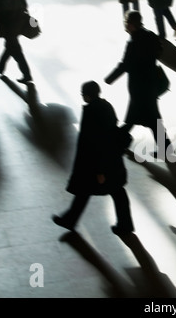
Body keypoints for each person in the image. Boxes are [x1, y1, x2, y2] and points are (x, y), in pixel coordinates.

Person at [52, 81, 135, 236]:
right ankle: (125, 225)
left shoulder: (92, 111)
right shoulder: (106, 106)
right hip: (112, 159)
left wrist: (99, 170)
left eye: (83, 93)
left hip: (97, 162)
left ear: (88, 95)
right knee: (115, 191)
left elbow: (95, 142)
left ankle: (70, 220)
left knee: (87, 190)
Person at [104, 10, 173, 159]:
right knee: (151, 120)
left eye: (126, 23)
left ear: (131, 24)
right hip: (151, 85)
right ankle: (166, 150)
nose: (125, 26)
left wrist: (109, 79)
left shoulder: (133, 42)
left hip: (138, 88)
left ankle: (115, 144)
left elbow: (125, 64)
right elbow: (159, 51)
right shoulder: (151, 36)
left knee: (134, 119)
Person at [0, 0, 33, 84]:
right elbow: (24, 4)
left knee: (16, 50)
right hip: (18, 23)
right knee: (10, 46)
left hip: (8, 25)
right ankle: (1, 65)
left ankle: (27, 75)